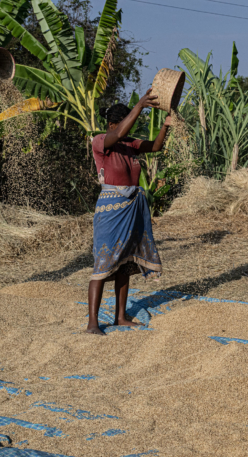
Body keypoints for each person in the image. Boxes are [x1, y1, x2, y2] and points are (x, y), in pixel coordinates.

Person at [86, 88, 170, 335]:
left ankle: (120, 317)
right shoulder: (101, 141)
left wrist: (166, 125)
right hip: (111, 210)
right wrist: (140, 105)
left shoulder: (130, 144)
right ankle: (93, 323)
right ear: (112, 124)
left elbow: (155, 146)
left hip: (132, 209)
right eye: (124, 123)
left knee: (125, 263)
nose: (128, 129)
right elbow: (120, 133)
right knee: (103, 264)